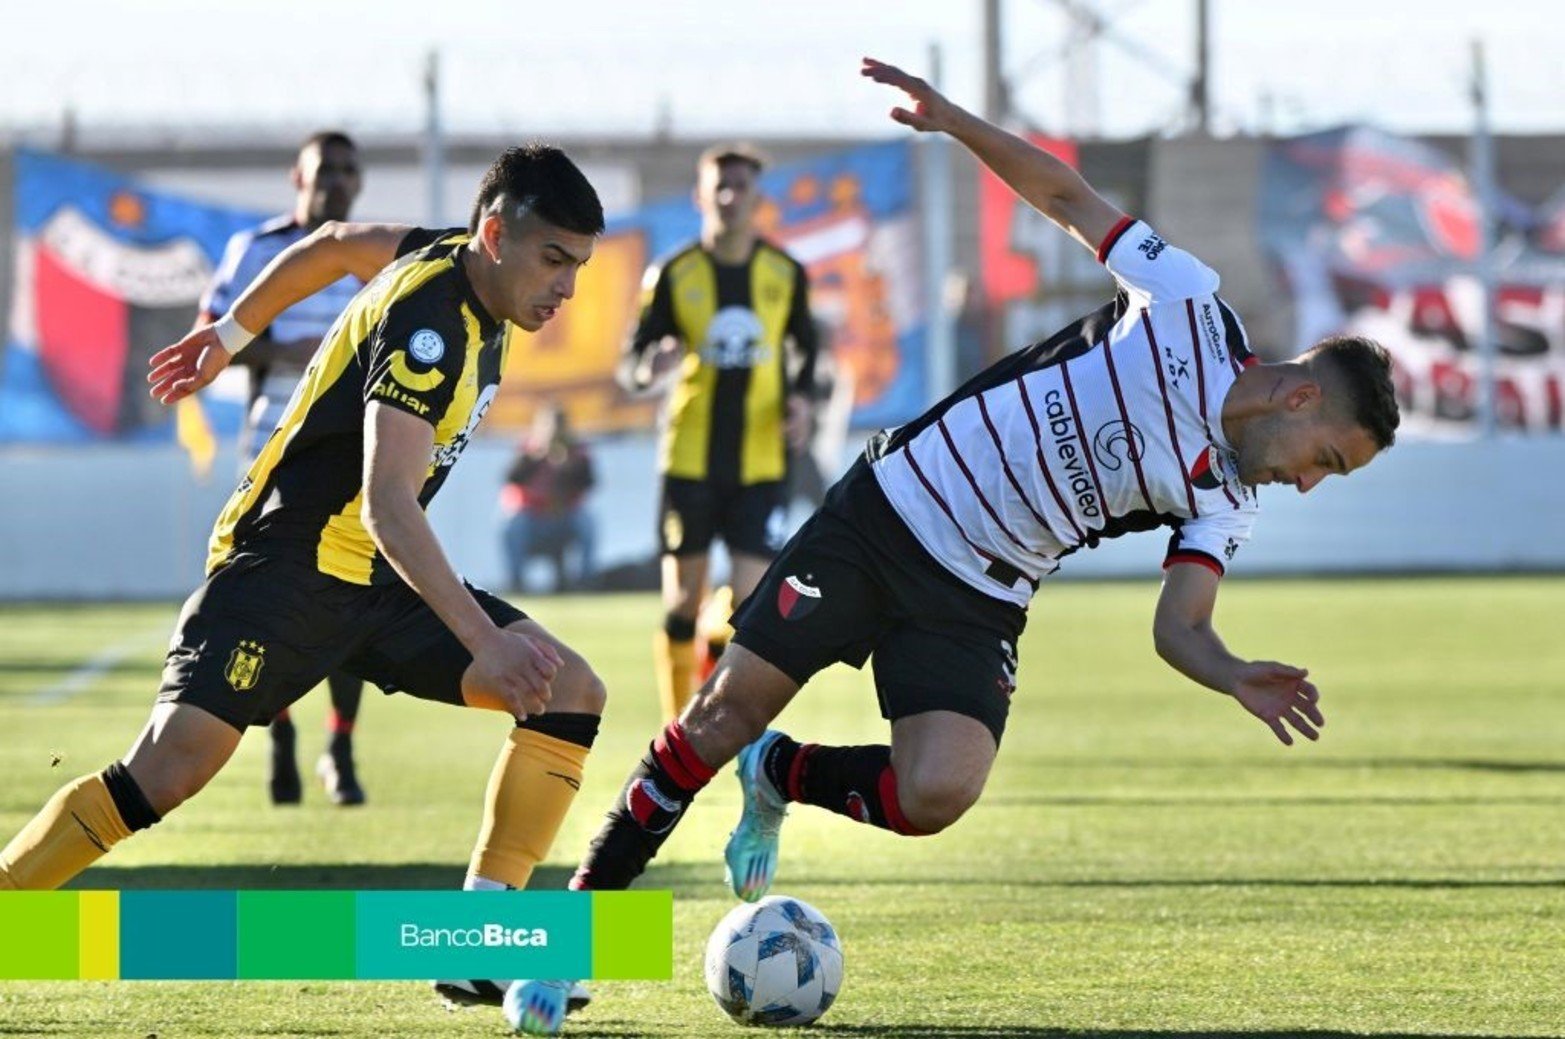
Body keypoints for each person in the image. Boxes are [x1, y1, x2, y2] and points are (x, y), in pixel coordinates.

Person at [540, 59, 1401, 1027]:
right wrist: (955, 122)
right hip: (886, 515)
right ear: (1296, 394)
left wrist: (1229, 669)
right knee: (715, 715)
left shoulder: (1227, 496)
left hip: (978, 594)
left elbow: (1181, 625)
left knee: (937, 792)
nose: (1304, 481)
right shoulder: (1188, 308)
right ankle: (572, 938)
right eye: (1323, 457)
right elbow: (1064, 194)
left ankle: (782, 772)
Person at [0, 145, 605, 1027]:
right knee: (165, 773)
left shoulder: (444, 257)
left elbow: (329, 244)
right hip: (283, 570)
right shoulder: (430, 322)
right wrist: (486, 640)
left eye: (579, 267)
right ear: (496, 233)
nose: (566, 289)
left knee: (570, 692)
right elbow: (389, 504)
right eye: (554, 260)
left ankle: (482, 939)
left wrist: (230, 333)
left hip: (372, 581)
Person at [197, 129, 372, 806]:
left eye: (346, 171)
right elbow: (212, 337)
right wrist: (278, 342)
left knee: (351, 589)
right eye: (323, 169)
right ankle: (280, 736)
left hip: (356, 445)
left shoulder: (372, 254)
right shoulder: (257, 251)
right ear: (295, 179)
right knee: (272, 597)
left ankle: (342, 744)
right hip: (273, 438)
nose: (334, 181)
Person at [618, 142, 819, 723]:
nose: (731, 196)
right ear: (700, 196)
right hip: (689, 458)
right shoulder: (675, 274)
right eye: (720, 186)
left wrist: (803, 401)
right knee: (681, 602)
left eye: (741, 186)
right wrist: (647, 367)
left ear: (758, 198)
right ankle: (674, 729)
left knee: (746, 610)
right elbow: (630, 362)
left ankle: (713, 711)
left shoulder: (785, 274)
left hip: (761, 460)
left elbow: (807, 353)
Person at [500, 403, 598, 593]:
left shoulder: (577, 451)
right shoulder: (527, 449)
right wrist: (537, 456)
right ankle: (517, 583)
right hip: (532, 519)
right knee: (512, 523)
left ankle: (586, 581)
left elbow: (589, 482)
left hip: (563, 517)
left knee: (587, 522)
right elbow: (511, 477)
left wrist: (569, 465)